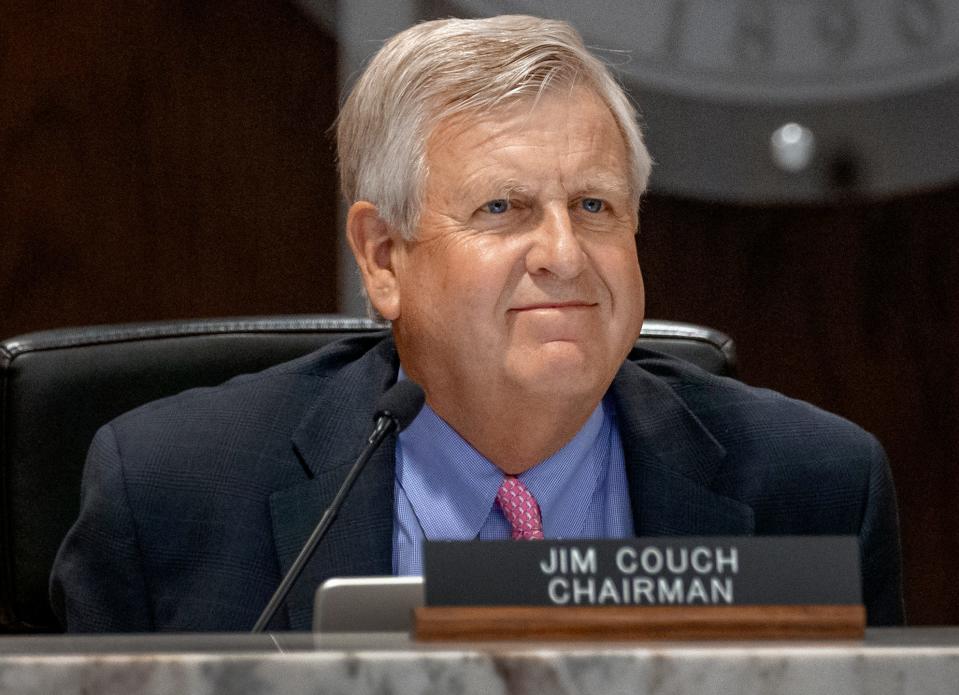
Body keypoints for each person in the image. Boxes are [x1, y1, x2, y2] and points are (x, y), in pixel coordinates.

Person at [50, 15, 903, 631]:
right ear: (383, 257)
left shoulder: (813, 489)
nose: (564, 253)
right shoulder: (171, 497)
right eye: (503, 207)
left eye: (595, 204)